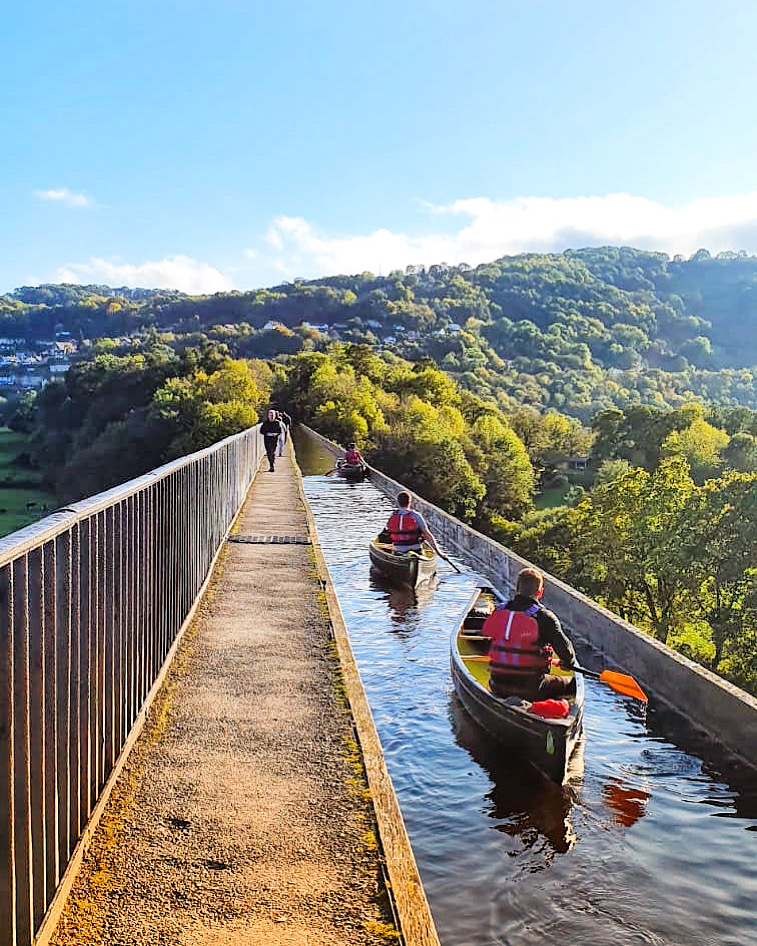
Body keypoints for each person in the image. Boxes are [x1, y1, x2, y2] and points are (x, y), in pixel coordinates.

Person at [481, 567, 577, 701]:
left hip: (497, 685)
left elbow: (489, 642)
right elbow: (567, 654)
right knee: (572, 684)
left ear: (517, 588)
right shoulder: (545, 617)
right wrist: (566, 663)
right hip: (532, 690)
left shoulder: (498, 610)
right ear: (540, 592)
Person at [384, 491, 444, 558]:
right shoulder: (416, 515)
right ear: (410, 501)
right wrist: (439, 553)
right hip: (415, 548)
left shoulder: (393, 515)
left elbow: (389, 531)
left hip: (398, 549)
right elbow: (427, 534)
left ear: (398, 502)